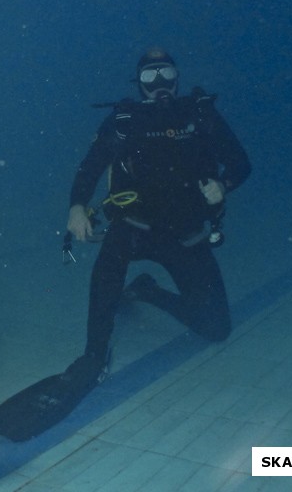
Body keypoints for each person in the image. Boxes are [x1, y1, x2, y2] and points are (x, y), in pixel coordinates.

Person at [65, 47, 250, 380]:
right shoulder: (125, 120)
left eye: (166, 73)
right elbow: (90, 167)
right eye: (150, 76)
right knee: (107, 269)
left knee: (217, 327)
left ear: (177, 78)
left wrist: (224, 185)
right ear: (139, 83)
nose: (159, 82)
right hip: (133, 229)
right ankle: (93, 355)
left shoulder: (200, 114)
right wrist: (77, 206)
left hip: (185, 234)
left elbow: (241, 163)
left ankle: (147, 291)